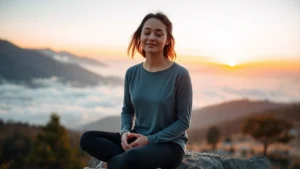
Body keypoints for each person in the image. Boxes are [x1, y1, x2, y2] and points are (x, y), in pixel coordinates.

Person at [80, 11, 193, 169]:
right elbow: (127, 110)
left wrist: (149, 140)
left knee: (129, 159)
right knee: (87, 139)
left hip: (169, 145)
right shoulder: (132, 73)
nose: (151, 37)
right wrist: (125, 132)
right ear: (140, 37)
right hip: (136, 138)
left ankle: (108, 165)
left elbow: (183, 122)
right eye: (146, 32)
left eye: (158, 34)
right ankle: (121, 161)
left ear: (167, 40)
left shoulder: (180, 75)